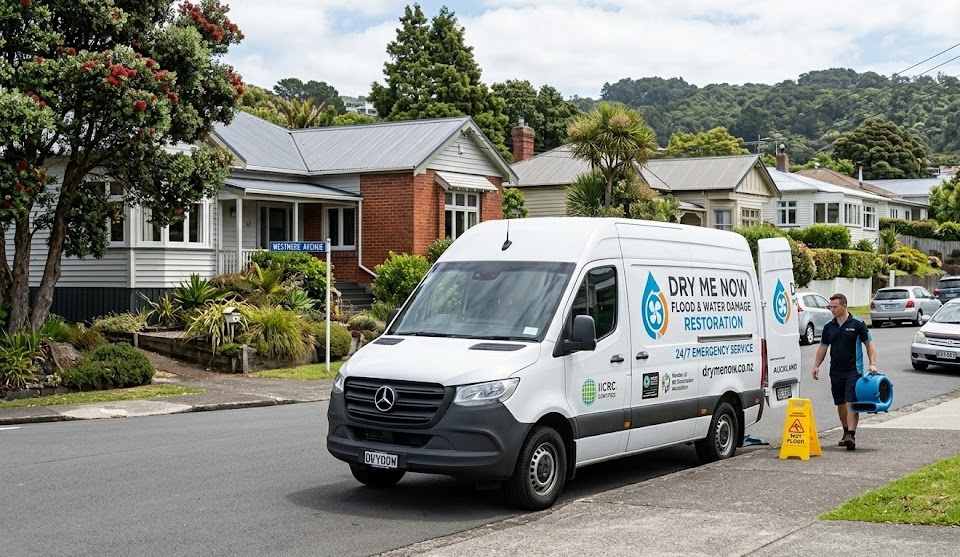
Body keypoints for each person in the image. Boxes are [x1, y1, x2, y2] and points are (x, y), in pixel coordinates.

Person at [811, 293, 877, 451]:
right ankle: (846, 431)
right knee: (840, 403)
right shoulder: (829, 327)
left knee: (850, 402)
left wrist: (872, 364)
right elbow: (822, 348)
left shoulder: (858, 324)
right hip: (835, 371)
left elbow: (869, 345)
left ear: (844, 306)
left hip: (853, 370)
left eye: (835, 307)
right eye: (830, 307)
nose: (831, 310)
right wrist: (816, 365)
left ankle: (851, 435)